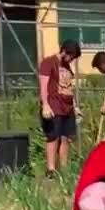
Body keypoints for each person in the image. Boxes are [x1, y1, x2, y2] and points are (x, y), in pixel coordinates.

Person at [38, 39, 82, 177]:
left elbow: (69, 87)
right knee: (53, 137)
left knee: (65, 138)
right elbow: (43, 86)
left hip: (67, 107)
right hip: (54, 105)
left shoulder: (68, 66)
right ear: (64, 52)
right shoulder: (48, 62)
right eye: (71, 56)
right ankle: (51, 169)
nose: (71, 60)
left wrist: (75, 106)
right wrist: (45, 105)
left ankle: (64, 169)